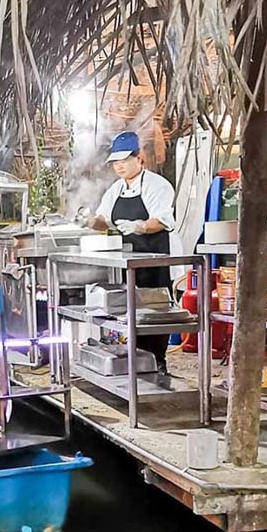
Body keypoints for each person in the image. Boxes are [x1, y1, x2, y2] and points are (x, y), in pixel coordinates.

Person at [88, 131, 176, 371]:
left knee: (154, 312)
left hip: (154, 261)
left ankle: (157, 362)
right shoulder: (115, 189)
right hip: (126, 263)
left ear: (139, 158)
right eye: (116, 162)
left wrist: (140, 226)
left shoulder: (158, 186)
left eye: (125, 160)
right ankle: (134, 361)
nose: (119, 166)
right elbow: (104, 220)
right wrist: (89, 221)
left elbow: (162, 220)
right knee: (127, 312)